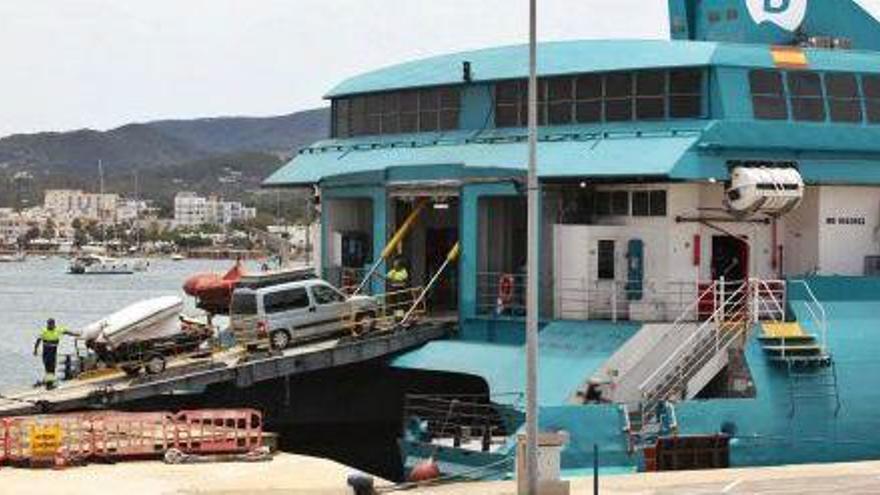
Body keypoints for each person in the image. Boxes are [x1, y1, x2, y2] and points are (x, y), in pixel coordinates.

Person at [33, 318, 77, 390]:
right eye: (49, 324)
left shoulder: (57, 330)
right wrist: (35, 350)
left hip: (53, 352)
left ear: (54, 324)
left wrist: (76, 334)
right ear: (47, 324)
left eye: (52, 324)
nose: (50, 326)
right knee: (48, 368)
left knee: (52, 368)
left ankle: (50, 383)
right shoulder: (44, 331)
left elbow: (66, 332)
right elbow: (38, 340)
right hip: (46, 352)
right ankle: (49, 385)